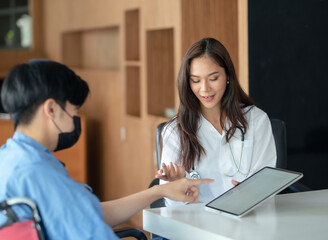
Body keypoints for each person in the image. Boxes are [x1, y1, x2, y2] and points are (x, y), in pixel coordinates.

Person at [0, 59, 213, 239]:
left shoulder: (11, 158)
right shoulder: (40, 173)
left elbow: (86, 213)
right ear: (51, 109)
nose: (73, 122)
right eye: (73, 112)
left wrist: (159, 191)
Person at [156, 38, 276, 205]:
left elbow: (267, 183)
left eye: (213, 78)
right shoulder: (175, 131)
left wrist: (251, 194)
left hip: (248, 219)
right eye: (196, 80)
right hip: (198, 224)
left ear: (227, 76)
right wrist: (178, 184)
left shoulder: (256, 120)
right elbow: (172, 207)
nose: (205, 88)